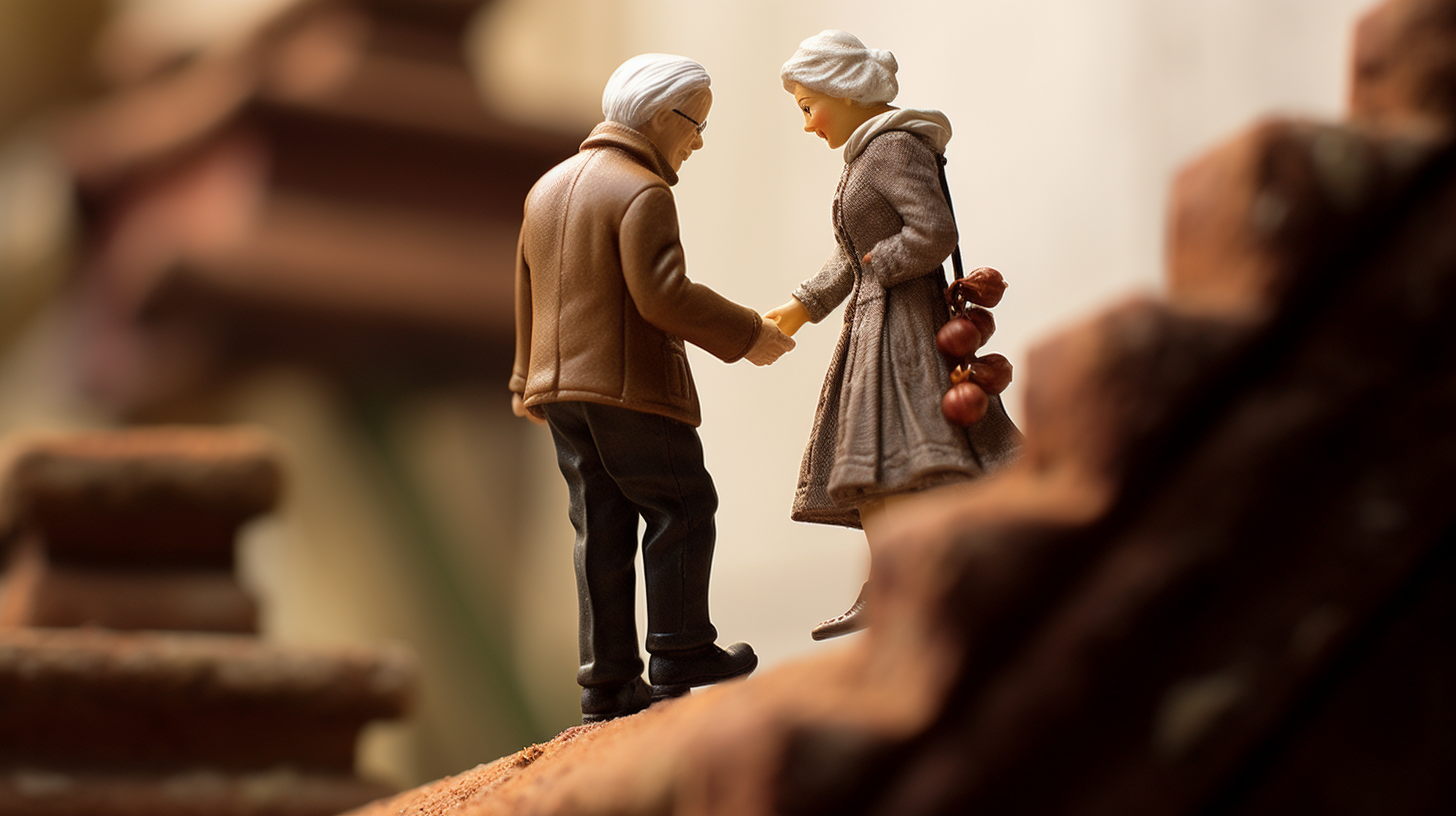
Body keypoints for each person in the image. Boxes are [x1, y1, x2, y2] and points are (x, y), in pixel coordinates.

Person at [510, 53, 795, 723]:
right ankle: (679, 649)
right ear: (664, 117)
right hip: (626, 386)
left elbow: (525, 289)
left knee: (599, 528)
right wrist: (748, 334)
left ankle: (606, 684)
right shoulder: (641, 192)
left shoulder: (546, 188)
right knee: (683, 507)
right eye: (695, 125)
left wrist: (526, 379)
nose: (696, 141)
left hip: (561, 392)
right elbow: (663, 296)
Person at [766, 30, 1022, 640]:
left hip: (904, 322)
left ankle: (932, 573)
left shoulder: (891, 150)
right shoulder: (865, 155)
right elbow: (848, 256)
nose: (806, 125)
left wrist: (878, 269)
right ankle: (894, 579)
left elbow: (934, 232)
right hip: (876, 322)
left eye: (807, 107)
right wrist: (803, 306)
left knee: (911, 452)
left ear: (844, 91)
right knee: (875, 458)